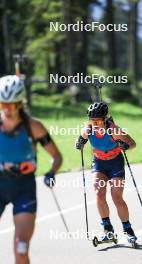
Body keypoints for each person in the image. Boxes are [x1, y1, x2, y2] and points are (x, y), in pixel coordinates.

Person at [0, 75, 62, 264]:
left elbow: (57, 156)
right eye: (3, 104)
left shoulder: (33, 127)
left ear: (21, 103)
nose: (7, 109)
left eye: (12, 104)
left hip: (24, 190)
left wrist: (51, 172)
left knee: (21, 248)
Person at [75, 102, 137, 242]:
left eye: (97, 120)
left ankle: (128, 229)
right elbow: (79, 141)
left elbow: (133, 143)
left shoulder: (113, 130)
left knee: (116, 197)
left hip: (115, 162)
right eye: (92, 120)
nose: (94, 123)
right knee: (99, 193)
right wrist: (79, 143)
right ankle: (108, 230)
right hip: (99, 163)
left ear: (104, 119)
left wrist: (125, 145)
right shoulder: (88, 129)